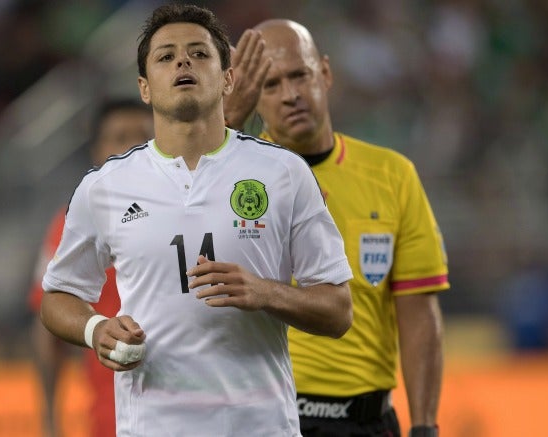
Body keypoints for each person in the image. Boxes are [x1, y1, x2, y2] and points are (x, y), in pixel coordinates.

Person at [39, 4, 354, 437]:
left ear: (228, 79)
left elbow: (338, 310)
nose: (183, 62)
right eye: (166, 56)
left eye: (199, 53)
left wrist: (266, 292)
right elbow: (57, 298)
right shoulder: (105, 186)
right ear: (145, 88)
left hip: (261, 428)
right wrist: (96, 329)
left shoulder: (283, 172)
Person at [225, 19, 449, 437]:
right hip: (272, 417)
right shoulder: (235, 181)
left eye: (300, 75)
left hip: (370, 421)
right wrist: (228, 126)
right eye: (270, 85)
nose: (291, 95)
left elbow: (418, 310)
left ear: (325, 73)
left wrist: (424, 427)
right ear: (251, 95)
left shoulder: (392, 175)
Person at [28, 98, 153, 437]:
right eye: (120, 137)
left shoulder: (193, 209)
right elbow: (48, 329)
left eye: (144, 136)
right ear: (97, 151)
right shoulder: (71, 224)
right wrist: (50, 421)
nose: (132, 147)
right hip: (112, 420)